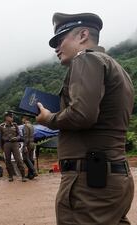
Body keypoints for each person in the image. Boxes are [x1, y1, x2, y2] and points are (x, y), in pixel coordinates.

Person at [37, 12, 134, 224]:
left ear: (83, 35)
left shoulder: (86, 58)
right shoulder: (117, 68)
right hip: (112, 177)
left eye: (60, 39)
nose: (56, 48)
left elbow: (82, 115)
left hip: (90, 184)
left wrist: (49, 119)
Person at [0, 112, 27, 182]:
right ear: (6, 118)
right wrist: (0, 148)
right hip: (6, 144)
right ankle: (10, 176)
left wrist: (16, 138)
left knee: (19, 160)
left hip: (15, 144)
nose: (12, 118)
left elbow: (19, 135)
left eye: (12, 117)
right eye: (10, 117)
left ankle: (23, 176)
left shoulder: (15, 125)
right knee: (7, 161)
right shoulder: (1, 126)